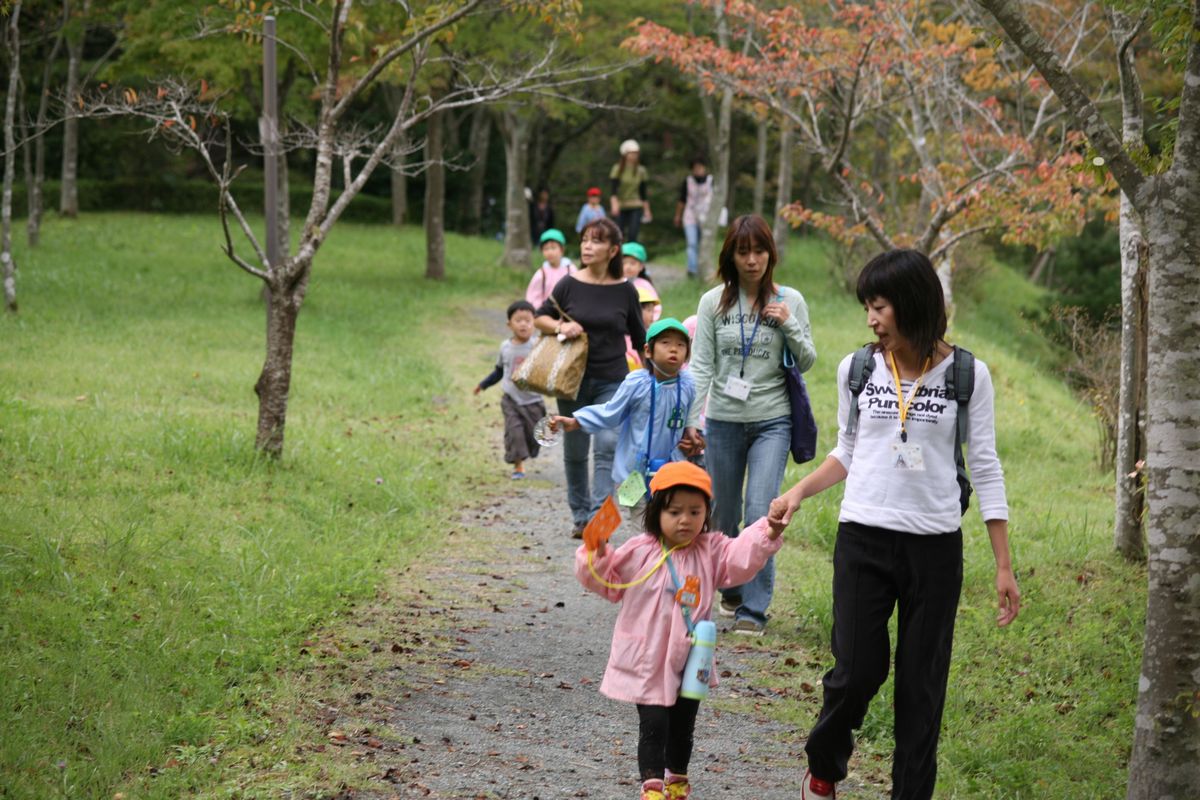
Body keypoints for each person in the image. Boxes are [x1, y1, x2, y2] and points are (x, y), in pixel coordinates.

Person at [768, 249, 1020, 800]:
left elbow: (985, 465)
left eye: (878, 306)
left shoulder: (967, 375)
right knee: (856, 670)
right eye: (867, 307)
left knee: (921, 690)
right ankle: (824, 768)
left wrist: (1004, 564)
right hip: (863, 537)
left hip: (934, 548)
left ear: (909, 303)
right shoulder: (857, 369)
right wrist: (798, 491)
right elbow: (847, 450)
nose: (871, 319)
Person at [574, 461, 786, 800]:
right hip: (648, 658)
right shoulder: (640, 551)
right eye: (674, 511)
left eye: (694, 511)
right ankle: (652, 786)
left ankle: (677, 780)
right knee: (655, 723)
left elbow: (740, 557)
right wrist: (595, 554)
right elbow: (608, 582)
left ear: (706, 513)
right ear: (656, 512)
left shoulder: (712, 550)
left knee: (683, 725)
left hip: (692, 657)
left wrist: (768, 532)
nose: (684, 520)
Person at [684, 213, 816, 636]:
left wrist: (788, 324)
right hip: (722, 420)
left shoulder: (790, 299)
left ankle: (754, 610)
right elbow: (702, 365)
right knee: (722, 512)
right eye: (743, 252)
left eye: (759, 251)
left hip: (771, 421)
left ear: (770, 254)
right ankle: (730, 588)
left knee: (762, 510)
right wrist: (692, 420)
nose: (752, 260)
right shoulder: (712, 303)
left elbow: (809, 359)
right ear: (732, 256)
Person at [535, 217, 646, 537]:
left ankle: (600, 517)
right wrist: (560, 327)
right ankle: (581, 516)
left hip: (613, 379)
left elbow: (639, 338)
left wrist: (656, 375)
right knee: (574, 449)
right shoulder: (568, 284)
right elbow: (541, 316)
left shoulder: (626, 290)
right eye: (584, 239)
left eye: (596, 241)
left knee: (608, 444)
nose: (587, 245)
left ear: (613, 250)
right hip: (573, 381)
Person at [549, 319, 699, 502]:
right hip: (635, 469)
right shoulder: (636, 383)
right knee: (642, 522)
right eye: (665, 343)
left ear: (687, 354)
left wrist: (696, 437)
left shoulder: (688, 385)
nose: (673, 349)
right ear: (648, 350)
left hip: (673, 468)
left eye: (680, 344)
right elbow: (611, 411)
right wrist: (576, 421)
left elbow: (691, 417)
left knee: (668, 519)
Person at [473, 300, 546, 480]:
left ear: (534, 323)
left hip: (534, 400)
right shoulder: (505, 347)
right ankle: (518, 466)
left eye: (527, 320)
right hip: (511, 399)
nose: (523, 324)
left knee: (534, 435)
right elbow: (499, 371)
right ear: (509, 324)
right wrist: (483, 384)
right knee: (515, 433)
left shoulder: (538, 345)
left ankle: (530, 450)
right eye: (518, 320)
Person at [673, 159, 713, 279]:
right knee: (692, 243)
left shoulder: (711, 180)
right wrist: (678, 216)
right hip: (690, 216)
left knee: (704, 244)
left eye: (700, 167)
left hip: (706, 217)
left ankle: (704, 269)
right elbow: (682, 200)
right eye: (695, 168)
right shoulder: (688, 181)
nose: (698, 170)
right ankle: (692, 270)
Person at [610, 139, 652, 242]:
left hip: (636, 205)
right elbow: (613, 190)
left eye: (635, 153)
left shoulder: (641, 170)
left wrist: (647, 210)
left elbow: (643, 193)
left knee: (633, 233)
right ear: (625, 154)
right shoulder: (617, 169)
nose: (634, 156)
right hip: (621, 205)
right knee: (618, 235)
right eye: (631, 153)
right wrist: (614, 204)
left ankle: (631, 256)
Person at [525, 228, 576, 309]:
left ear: (562, 250)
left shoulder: (571, 270)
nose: (550, 252)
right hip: (547, 313)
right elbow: (533, 297)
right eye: (546, 249)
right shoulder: (541, 273)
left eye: (553, 248)